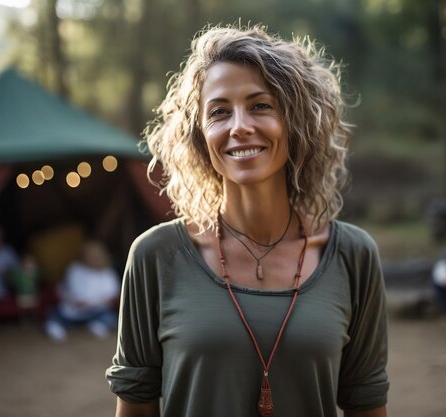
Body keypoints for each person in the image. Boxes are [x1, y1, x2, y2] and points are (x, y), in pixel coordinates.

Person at [106, 25, 389, 417]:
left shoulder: (352, 256)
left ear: (296, 121)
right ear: (199, 134)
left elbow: (367, 407)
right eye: (219, 112)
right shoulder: (155, 256)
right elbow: (135, 409)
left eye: (260, 105)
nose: (239, 126)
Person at [44, 240, 120, 342]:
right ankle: (56, 327)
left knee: (111, 317)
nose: (91, 259)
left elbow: (112, 295)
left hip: (97, 310)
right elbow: (66, 290)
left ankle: (97, 326)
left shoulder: (108, 273)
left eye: (94, 256)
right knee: (54, 313)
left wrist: (93, 303)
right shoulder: (75, 269)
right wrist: (75, 301)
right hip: (73, 309)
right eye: (88, 256)